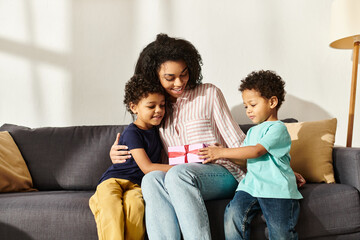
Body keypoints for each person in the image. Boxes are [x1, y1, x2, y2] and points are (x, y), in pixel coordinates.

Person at [109, 34, 305, 240]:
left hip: (221, 172)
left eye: (183, 74)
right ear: (154, 76)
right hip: (180, 178)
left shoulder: (209, 94)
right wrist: (120, 152)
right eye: (170, 78)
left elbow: (239, 142)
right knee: (151, 179)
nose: (179, 83)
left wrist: (282, 168)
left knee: (178, 175)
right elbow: (140, 139)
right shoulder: (157, 108)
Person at [199, 70, 303, 240]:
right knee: (232, 215)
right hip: (251, 186)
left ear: (272, 102)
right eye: (246, 106)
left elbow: (256, 151)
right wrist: (223, 155)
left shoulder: (278, 128)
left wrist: (222, 151)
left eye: (253, 105)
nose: (248, 110)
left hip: (276, 189)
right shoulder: (252, 131)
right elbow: (244, 160)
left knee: (281, 233)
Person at [89, 74, 172, 240]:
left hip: (136, 186)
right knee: (111, 209)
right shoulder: (132, 132)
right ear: (134, 107)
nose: (159, 110)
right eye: (151, 106)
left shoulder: (159, 131)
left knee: (136, 208)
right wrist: (182, 168)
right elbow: (147, 167)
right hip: (114, 181)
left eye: (162, 105)